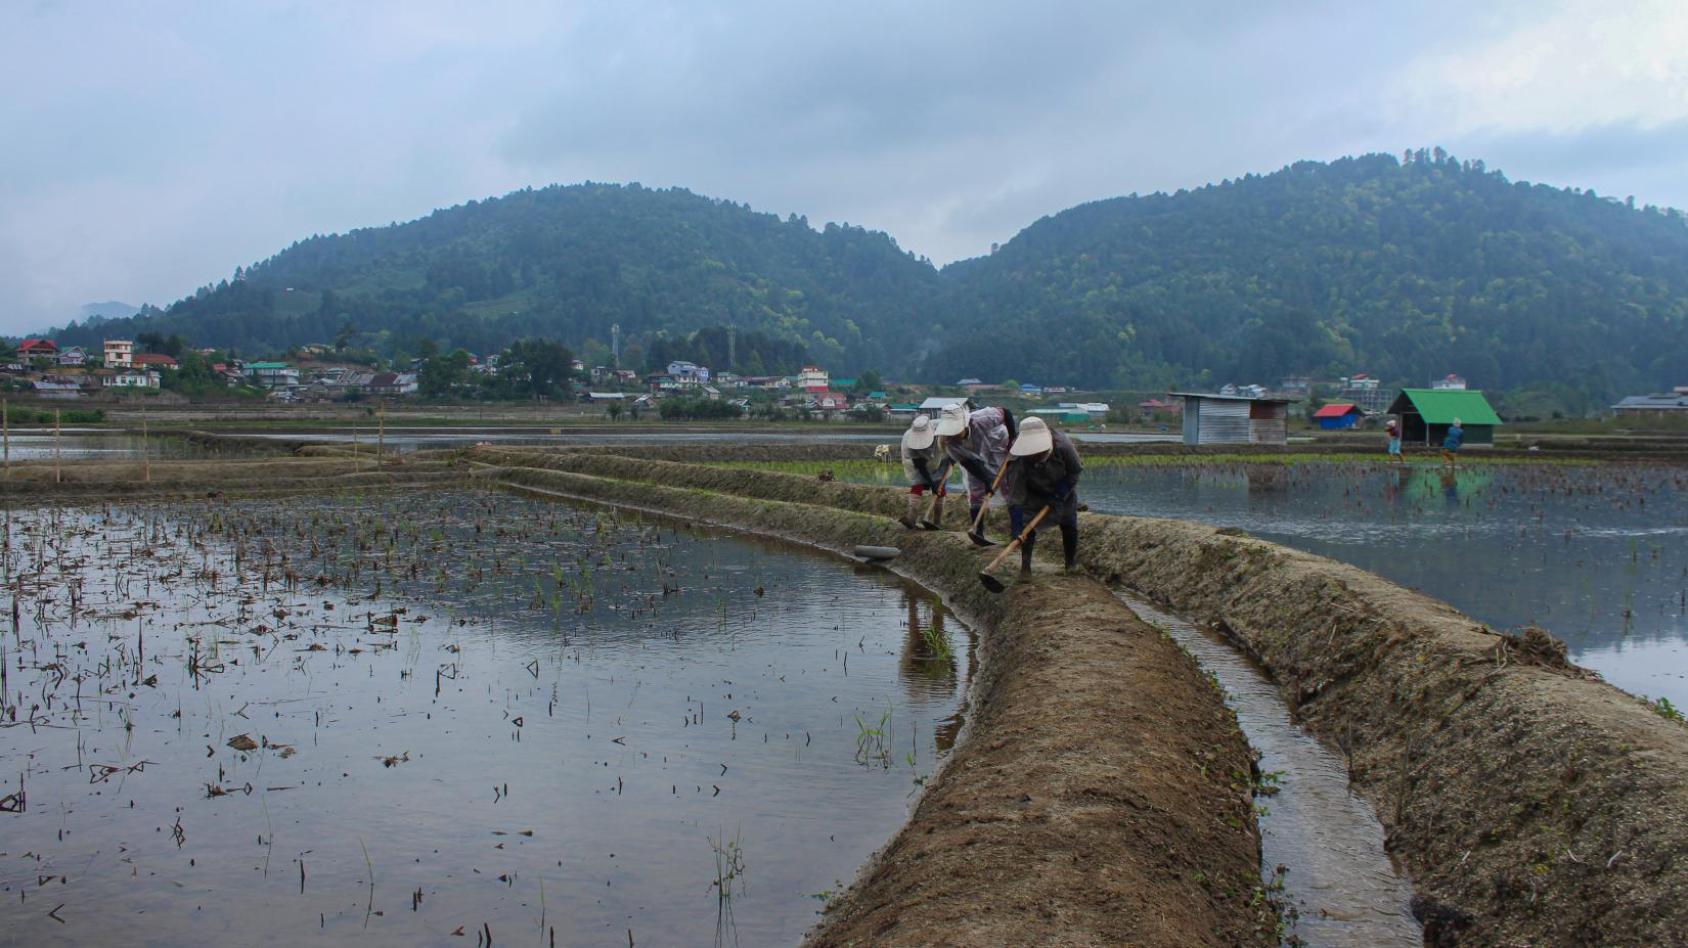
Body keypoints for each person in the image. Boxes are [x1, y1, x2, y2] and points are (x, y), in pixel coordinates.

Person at [1003, 416, 1083, 575]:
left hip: (1062, 488)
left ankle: (1070, 564)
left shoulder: (1063, 445)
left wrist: (1061, 492)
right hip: (1033, 493)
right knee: (1027, 526)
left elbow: (1075, 470)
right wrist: (1016, 523)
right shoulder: (1018, 459)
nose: (1035, 456)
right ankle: (1025, 567)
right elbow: (1015, 494)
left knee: (1068, 523)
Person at [936, 402, 1015, 541]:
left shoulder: (982, 419)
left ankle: (1016, 531)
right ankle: (977, 531)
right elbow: (970, 464)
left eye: (955, 430)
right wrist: (987, 480)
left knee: (1008, 486)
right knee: (976, 490)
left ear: (964, 425)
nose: (953, 434)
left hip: (997, 443)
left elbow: (1006, 412)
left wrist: (1012, 439)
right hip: (974, 457)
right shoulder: (949, 443)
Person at [898, 414, 951, 529]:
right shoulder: (908, 441)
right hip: (921, 461)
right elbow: (920, 466)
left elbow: (953, 445)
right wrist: (931, 484)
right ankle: (911, 518)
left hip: (942, 455)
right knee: (918, 483)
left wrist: (953, 457)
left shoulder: (942, 429)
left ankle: (937, 522)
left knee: (940, 486)